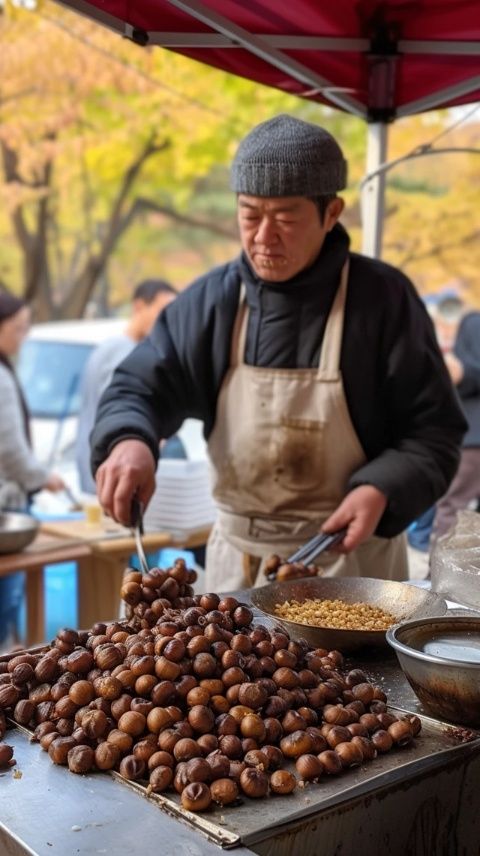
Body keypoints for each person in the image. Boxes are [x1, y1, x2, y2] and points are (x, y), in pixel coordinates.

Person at [91, 114, 466, 592]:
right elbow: (139, 387)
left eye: (285, 218)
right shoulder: (211, 302)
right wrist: (129, 440)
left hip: (353, 567)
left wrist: (383, 489)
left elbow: (434, 433)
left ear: (332, 214)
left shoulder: (383, 301)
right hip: (236, 564)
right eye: (250, 215)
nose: (263, 237)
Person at [0, 289, 64, 646]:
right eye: (18, 327)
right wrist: (44, 478)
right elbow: (11, 452)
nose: (23, 336)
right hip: (6, 509)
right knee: (4, 605)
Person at [75, 279, 177, 493]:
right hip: (111, 467)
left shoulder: (107, 347)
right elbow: (121, 411)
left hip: (97, 463)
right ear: (139, 306)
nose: (167, 319)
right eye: (162, 310)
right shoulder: (126, 353)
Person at [432, 296, 480, 539]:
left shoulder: (472, 321)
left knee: (452, 510)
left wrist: (460, 373)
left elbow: (471, 371)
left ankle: (440, 576)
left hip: (474, 439)